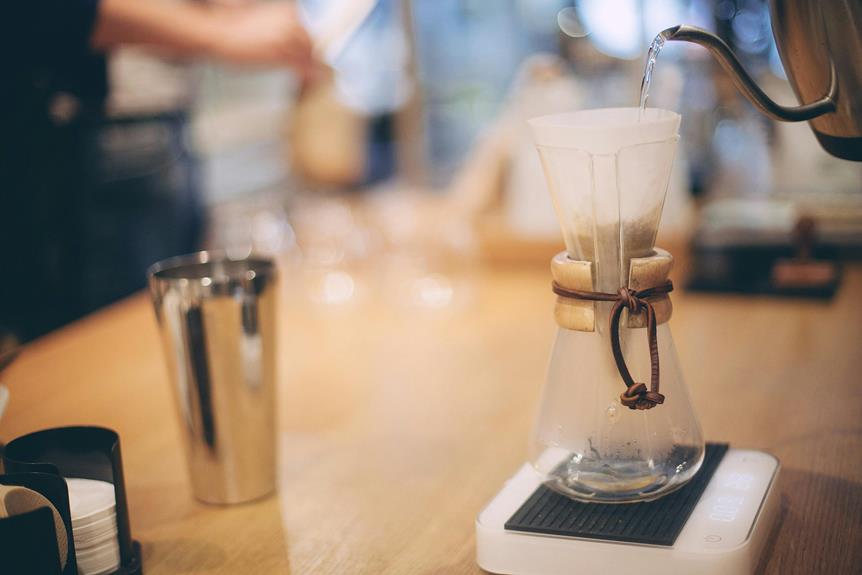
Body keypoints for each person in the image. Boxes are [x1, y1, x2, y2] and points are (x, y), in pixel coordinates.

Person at [1, 0, 316, 341]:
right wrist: (221, 32)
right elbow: (48, 11)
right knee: (115, 349)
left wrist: (220, 13)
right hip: (96, 126)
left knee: (174, 337)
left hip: (154, 121)